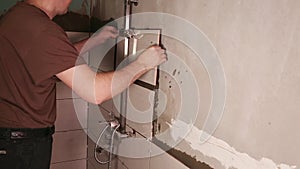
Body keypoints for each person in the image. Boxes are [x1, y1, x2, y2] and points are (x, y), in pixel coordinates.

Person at [0, 0, 167, 168]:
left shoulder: (19, 18)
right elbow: (95, 92)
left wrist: (95, 40)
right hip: (21, 146)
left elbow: (54, 60)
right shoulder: (41, 29)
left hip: (12, 140)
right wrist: (143, 64)